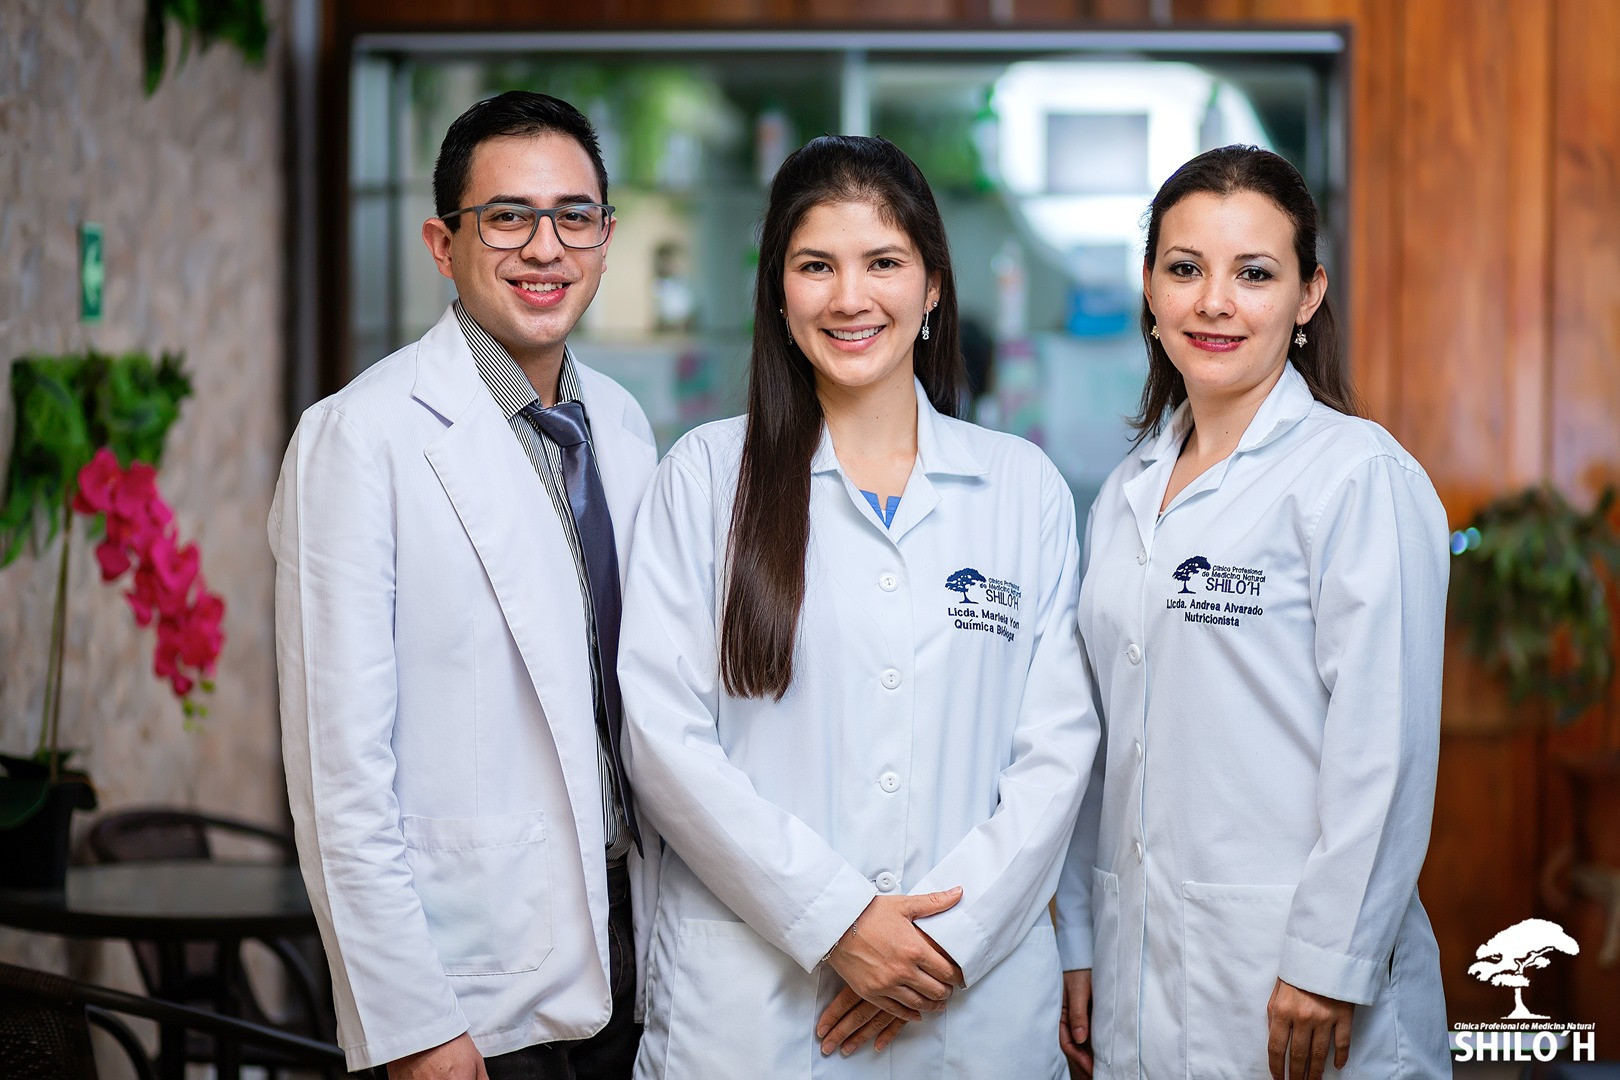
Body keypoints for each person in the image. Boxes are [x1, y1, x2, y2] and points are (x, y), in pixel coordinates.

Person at [616, 134, 1099, 1080]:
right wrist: (836, 921)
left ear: (933, 287)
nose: (849, 297)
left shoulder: (1020, 488)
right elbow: (664, 741)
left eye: (883, 262)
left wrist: (936, 949)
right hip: (755, 1020)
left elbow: (1056, 754)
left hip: (969, 1014)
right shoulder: (705, 478)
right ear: (777, 291)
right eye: (815, 266)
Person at [270, 91, 656, 1080]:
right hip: (475, 994)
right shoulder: (359, 438)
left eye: (573, 216)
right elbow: (338, 777)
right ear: (443, 244)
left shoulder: (621, 425)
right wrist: (414, 1027)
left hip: (636, 954)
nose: (545, 248)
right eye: (508, 217)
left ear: (605, 239)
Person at [1054, 145, 1451, 1080]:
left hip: (1297, 981)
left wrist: (1328, 961)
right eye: (1185, 269)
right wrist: (1079, 935)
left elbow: (1384, 748)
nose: (1214, 302)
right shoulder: (1124, 493)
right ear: (1150, 290)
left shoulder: (1357, 477)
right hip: (1139, 968)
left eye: (1255, 274)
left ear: (1309, 295)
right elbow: (1098, 744)